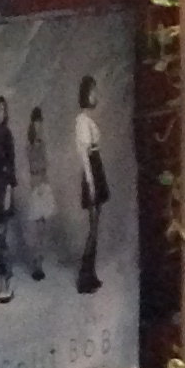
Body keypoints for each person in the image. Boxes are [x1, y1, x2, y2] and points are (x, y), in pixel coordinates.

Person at [73, 72, 109, 295]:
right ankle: (84, 276)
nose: (95, 95)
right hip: (92, 172)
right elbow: (84, 155)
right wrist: (90, 182)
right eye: (93, 91)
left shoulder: (89, 120)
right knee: (93, 226)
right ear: (86, 94)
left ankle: (91, 273)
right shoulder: (81, 121)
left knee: (96, 225)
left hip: (97, 168)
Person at [0, 94, 19, 304]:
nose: (0, 113)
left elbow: (11, 166)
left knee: (2, 238)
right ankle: (4, 278)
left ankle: (5, 283)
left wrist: (8, 192)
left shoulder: (7, 134)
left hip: (5, 187)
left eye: (3, 110)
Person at [24, 105, 52, 280]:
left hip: (44, 184)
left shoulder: (43, 144)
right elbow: (33, 167)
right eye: (36, 123)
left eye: (40, 123)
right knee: (35, 227)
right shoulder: (30, 146)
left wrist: (45, 184)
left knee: (42, 227)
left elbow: (45, 166)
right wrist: (37, 186)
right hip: (36, 185)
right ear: (32, 124)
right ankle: (35, 263)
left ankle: (39, 263)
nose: (38, 126)